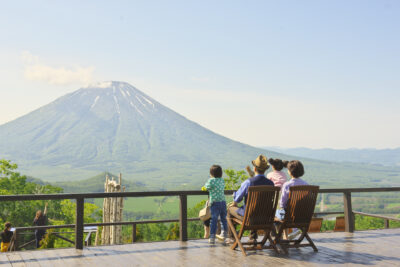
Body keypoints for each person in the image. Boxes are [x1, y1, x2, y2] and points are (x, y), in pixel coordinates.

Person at [228, 155, 274, 243]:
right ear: (265, 170)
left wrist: (234, 199)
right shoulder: (271, 184)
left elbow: (238, 198)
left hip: (250, 218)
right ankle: (253, 238)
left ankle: (232, 237)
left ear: (255, 169)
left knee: (230, 209)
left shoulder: (248, 182)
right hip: (265, 217)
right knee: (255, 209)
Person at [275, 160, 308, 239]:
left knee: (277, 212)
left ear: (290, 172)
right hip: (302, 215)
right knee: (285, 212)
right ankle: (290, 233)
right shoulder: (306, 184)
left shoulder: (287, 185)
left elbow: (282, 204)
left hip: (289, 216)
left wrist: (280, 205)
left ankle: (280, 236)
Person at [202, 165, 228, 244]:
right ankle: (224, 233)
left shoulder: (211, 180)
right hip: (223, 202)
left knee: (213, 220)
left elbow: (206, 187)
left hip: (215, 203)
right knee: (224, 219)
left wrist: (204, 187)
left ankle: (212, 236)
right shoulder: (222, 180)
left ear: (211, 173)